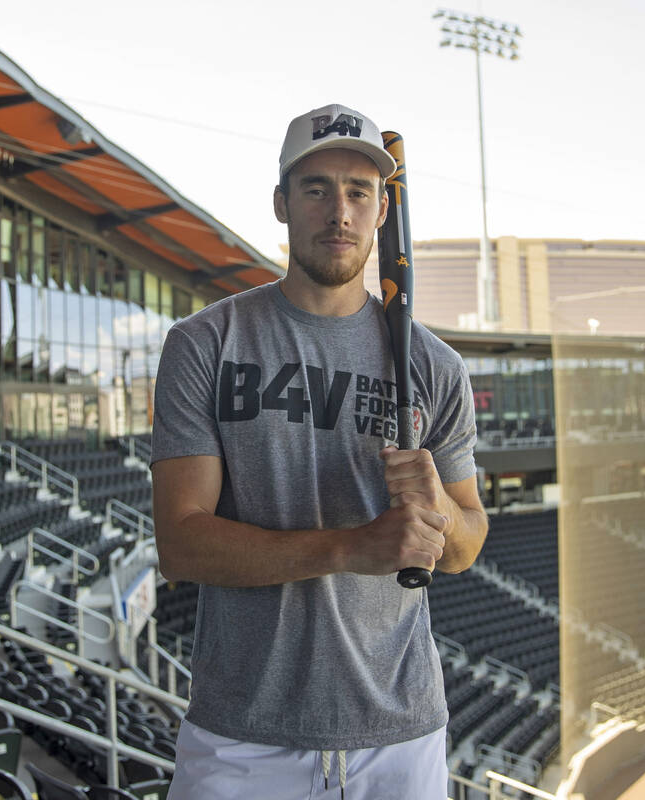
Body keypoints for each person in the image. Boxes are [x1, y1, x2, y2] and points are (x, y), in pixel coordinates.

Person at [151, 102, 488, 800]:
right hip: (244, 735)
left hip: (400, 733)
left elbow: (464, 545)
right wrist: (348, 548)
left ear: (380, 210)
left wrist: (436, 513)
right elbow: (182, 544)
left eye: (359, 192)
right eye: (317, 189)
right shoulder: (207, 343)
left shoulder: (435, 367)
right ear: (281, 203)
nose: (339, 210)